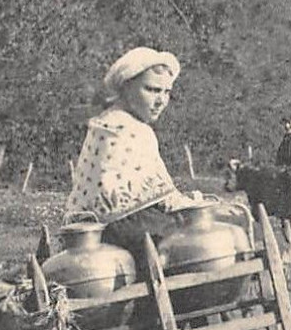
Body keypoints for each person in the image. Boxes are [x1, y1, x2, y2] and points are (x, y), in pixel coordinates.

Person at [62, 46, 209, 250]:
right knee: (194, 240)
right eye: (152, 90)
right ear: (125, 87)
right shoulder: (129, 128)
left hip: (87, 235)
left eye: (166, 92)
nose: (161, 101)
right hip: (123, 228)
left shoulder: (104, 122)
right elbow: (160, 198)